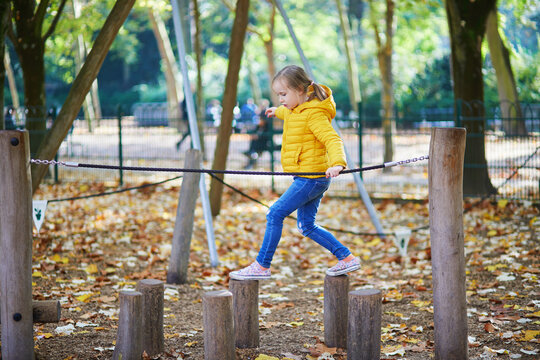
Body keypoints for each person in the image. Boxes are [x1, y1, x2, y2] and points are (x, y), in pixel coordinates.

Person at [230, 65, 360, 280]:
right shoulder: (294, 110)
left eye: (283, 94)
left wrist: (338, 163)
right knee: (306, 226)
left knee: (275, 213)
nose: (281, 99)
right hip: (310, 178)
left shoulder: (314, 114)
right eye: (278, 95)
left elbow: (332, 139)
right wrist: (276, 111)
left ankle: (262, 265)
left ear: (301, 90)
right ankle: (346, 258)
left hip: (311, 178)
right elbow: (290, 113)